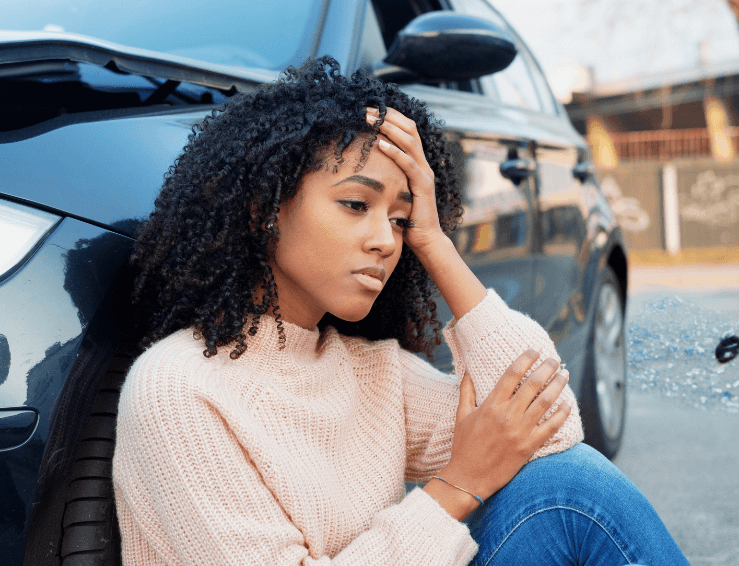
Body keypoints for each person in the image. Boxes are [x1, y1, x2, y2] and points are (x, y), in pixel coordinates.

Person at [113, 57, 688, 566]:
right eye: (356, 204)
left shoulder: (369, 370)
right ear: (266, 206)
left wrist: (436, 242)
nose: (387, 241)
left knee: (567, 486)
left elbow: (552, 430)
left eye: (399, 219)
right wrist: (459, 483)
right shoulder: (180, 388)